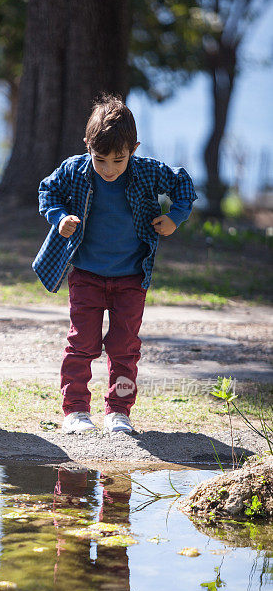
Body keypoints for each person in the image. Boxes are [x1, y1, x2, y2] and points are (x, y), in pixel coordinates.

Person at [33, 94, 197, 435]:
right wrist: (59, 216)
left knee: (125, 346)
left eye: (118, 160)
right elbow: (46, 191)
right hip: (87, 276)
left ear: (133, 149)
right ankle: (76, 410)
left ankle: (118, 411)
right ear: (87, 146)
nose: (109, 169)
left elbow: (184, 186)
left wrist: (175, 218)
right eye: (100, 159)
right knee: (81, 343)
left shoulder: (150, 172)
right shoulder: (74, 170)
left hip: (132, 278)